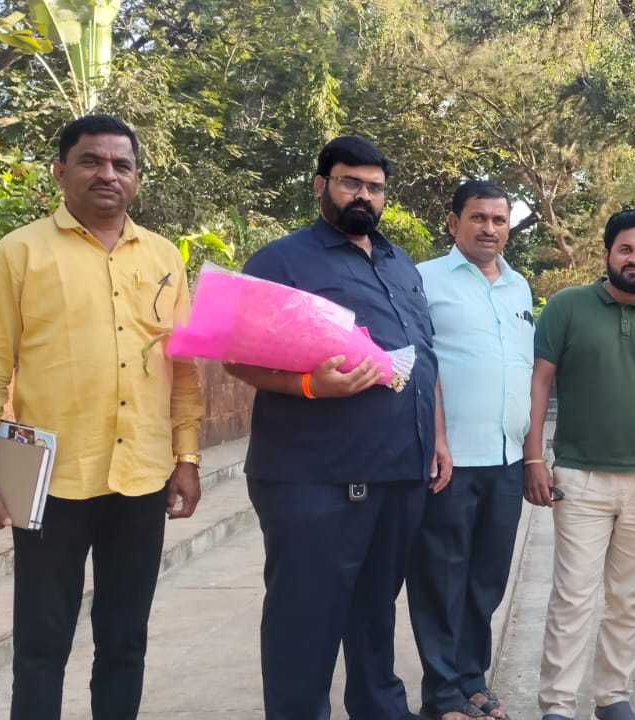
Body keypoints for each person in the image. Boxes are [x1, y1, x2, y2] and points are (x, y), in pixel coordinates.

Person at [0, 114, 204, 720]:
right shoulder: (18, 253)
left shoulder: (163, 256)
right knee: (42, 643)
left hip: (142, 478)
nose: (108, 174)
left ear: (136, 177)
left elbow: (182, 370)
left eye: (121, 164)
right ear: (60, 171)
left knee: (125, 640)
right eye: (91, 161)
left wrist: (186, 457)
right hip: (49, 481)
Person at [227, 135, 441, 720]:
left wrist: (436, 439)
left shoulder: (399, 263)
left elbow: (423, 356)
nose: (363, 196)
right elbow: (235, 356)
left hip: (398, 470)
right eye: (351, 183)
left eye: (375, 187)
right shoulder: (281, 261)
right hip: (313, 476)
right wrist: (307, 385)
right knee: (306, 617)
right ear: (322, 185)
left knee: (375, 613)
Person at [524, 209, 635, 720]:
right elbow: (539, 383)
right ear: (607, 253)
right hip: (579, 478)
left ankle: (612, 696)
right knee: (573, 596)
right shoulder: (566, 307)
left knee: (629, 598)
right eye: (626, 249)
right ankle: (558, 704)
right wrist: (534, 456)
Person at [408, 180, 533, 720]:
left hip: (506, 460)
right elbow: (420, 367)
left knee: (486, 581)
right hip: (451, 459)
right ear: (453, 222)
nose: (489, 228)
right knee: (441, 578)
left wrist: (531, 453)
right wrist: (437, 439)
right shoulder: (423, 279)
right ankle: (442, 695)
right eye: (478, 217)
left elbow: (525, 371)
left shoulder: (519, 287)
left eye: (499, 220)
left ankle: (471, 681)